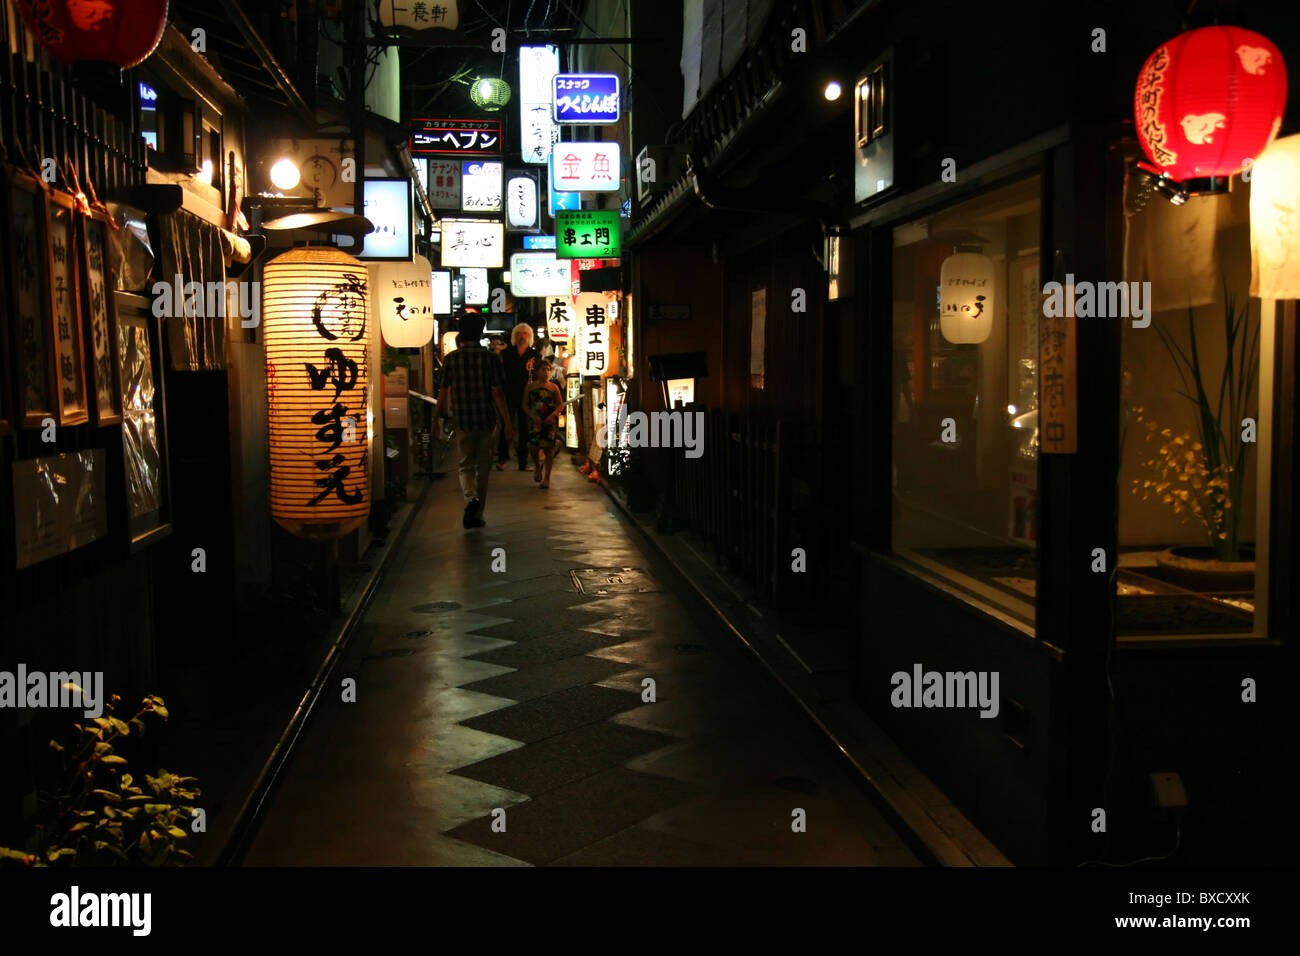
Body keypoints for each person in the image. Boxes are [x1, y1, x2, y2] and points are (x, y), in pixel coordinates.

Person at [436, 314, 515, 529]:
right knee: (484, 466)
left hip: (462, 419)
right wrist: (507, 422)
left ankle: (471, 498)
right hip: (486, 419)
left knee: (465, 465)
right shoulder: (490, 359)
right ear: (480, 333)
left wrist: (436, 419)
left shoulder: (451, 359)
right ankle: (477, 513)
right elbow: (498, 393)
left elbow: (443, 393)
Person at [499, 322, 539, 471]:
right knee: (506, 424)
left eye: (525, 333)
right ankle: (502, 458)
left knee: (525, 428)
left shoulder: (535, 355)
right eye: (519, 334)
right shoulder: (506, 353)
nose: (522, 336)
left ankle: (523, 462)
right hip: (508, 394)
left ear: (530, 337)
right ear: (514, 336)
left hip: (527, 395)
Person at [523, 359, 564, 489]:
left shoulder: (554, 387)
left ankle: (547, 478)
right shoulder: (530, 387)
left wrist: (553, 415)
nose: (546, 372)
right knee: (533, 446)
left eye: (548, 370)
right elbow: (524, 404)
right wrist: (532, 416)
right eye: (543, 370)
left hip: (550, 422)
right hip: (535, 421)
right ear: (537, 372)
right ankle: (537, 465)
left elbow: (560, 404)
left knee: (549, 449)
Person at [488, 336, 510, 469]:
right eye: (494, 343)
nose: (496, 346)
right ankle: (494, 452)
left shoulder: (506, 357)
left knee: (502, 425)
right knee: (495, 425)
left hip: (504, 393)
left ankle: (500, 454)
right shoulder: (488, 357)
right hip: (492, 396)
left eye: (499, 343)